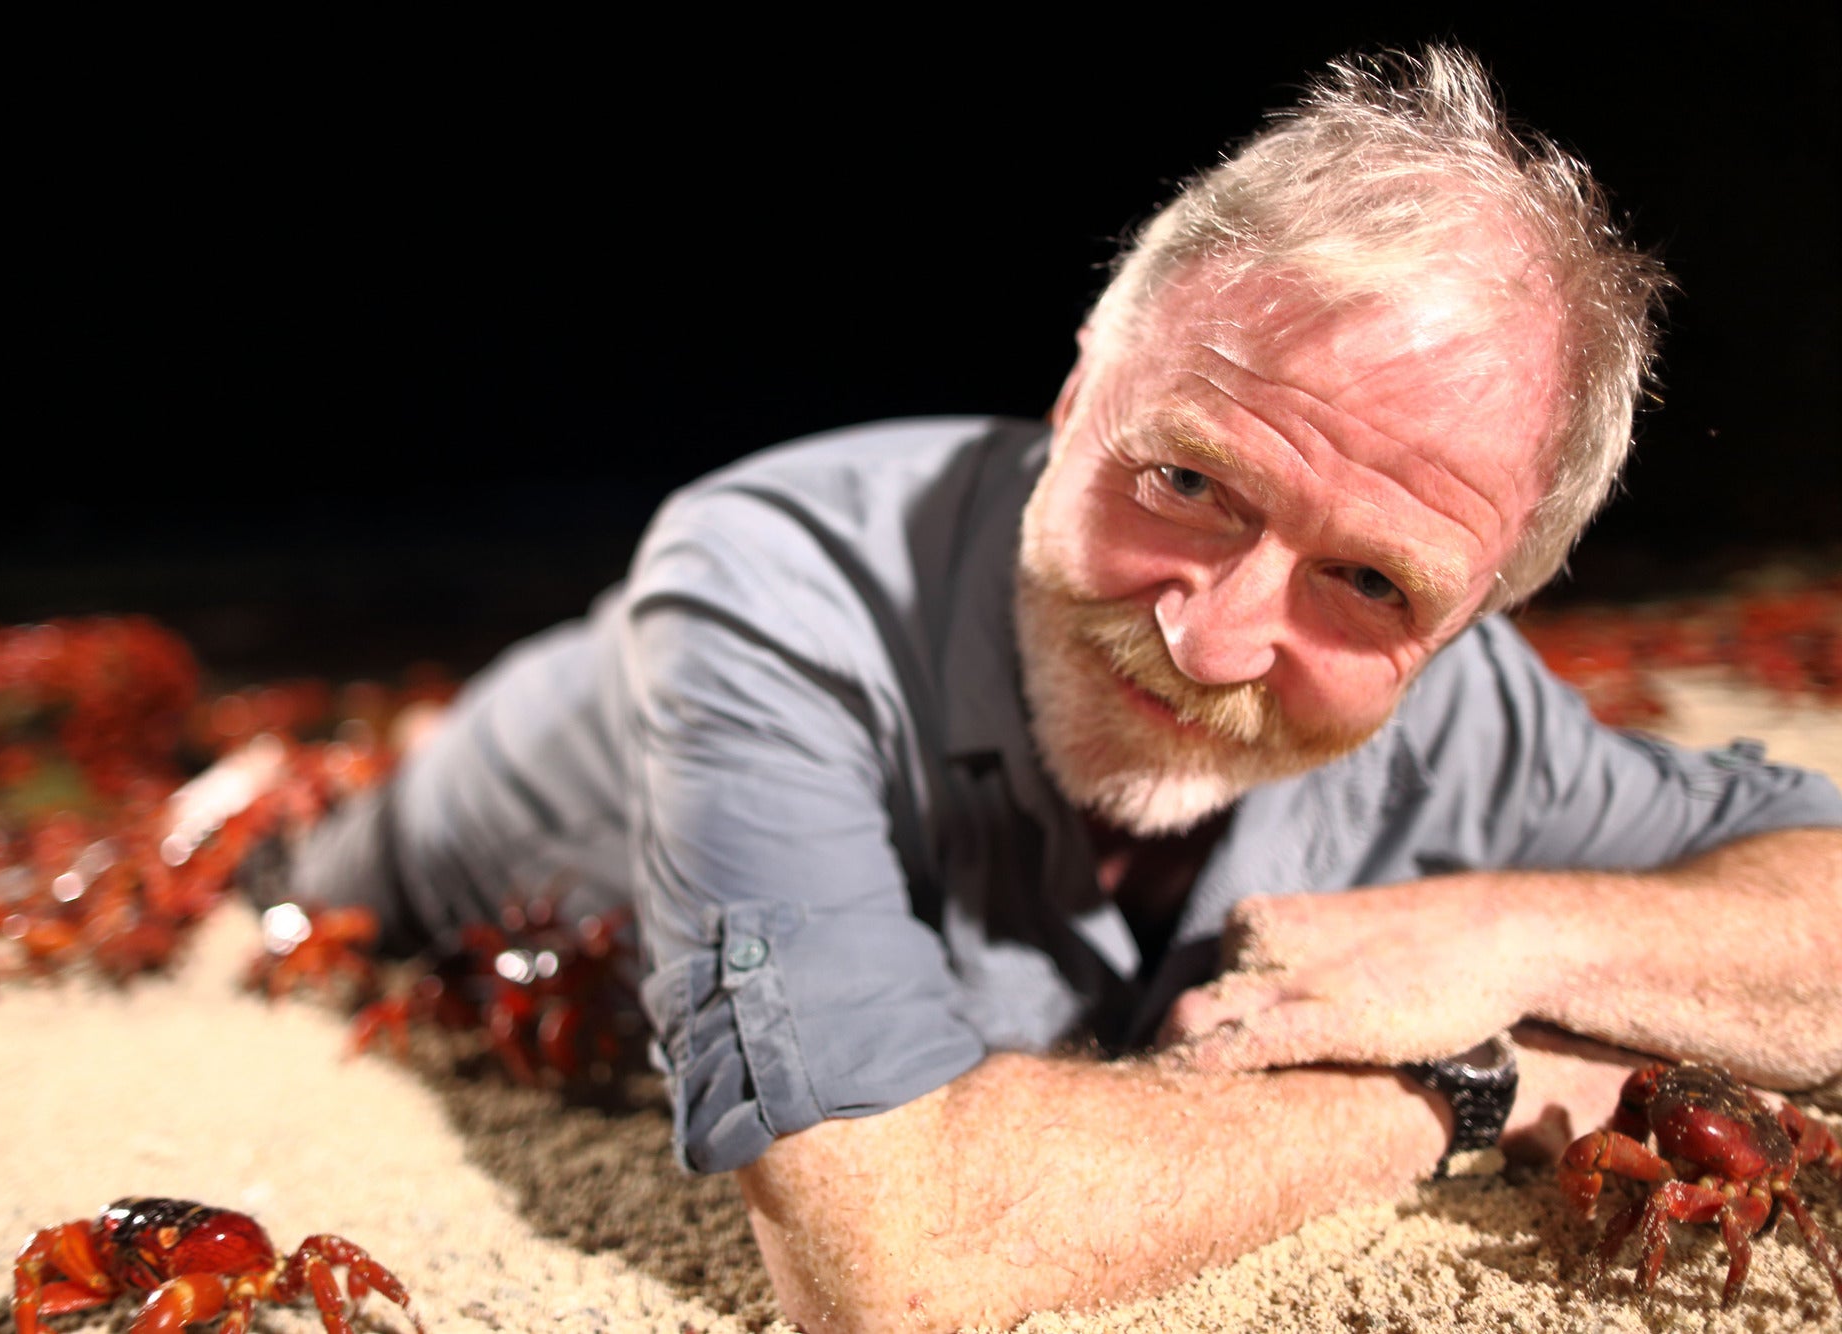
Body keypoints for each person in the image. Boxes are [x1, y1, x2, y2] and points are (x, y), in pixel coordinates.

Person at [280, 47, 1842, 1330]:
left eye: (1371, 584)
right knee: (318, 839)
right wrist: (1466, 1080)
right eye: (1183, 478)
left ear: (1484, 605)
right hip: (411, 850)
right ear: (1079, 381)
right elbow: (901, 1261)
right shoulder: (773, 575)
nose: (1217, 639)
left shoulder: (1469, 708)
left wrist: (1517, 928)